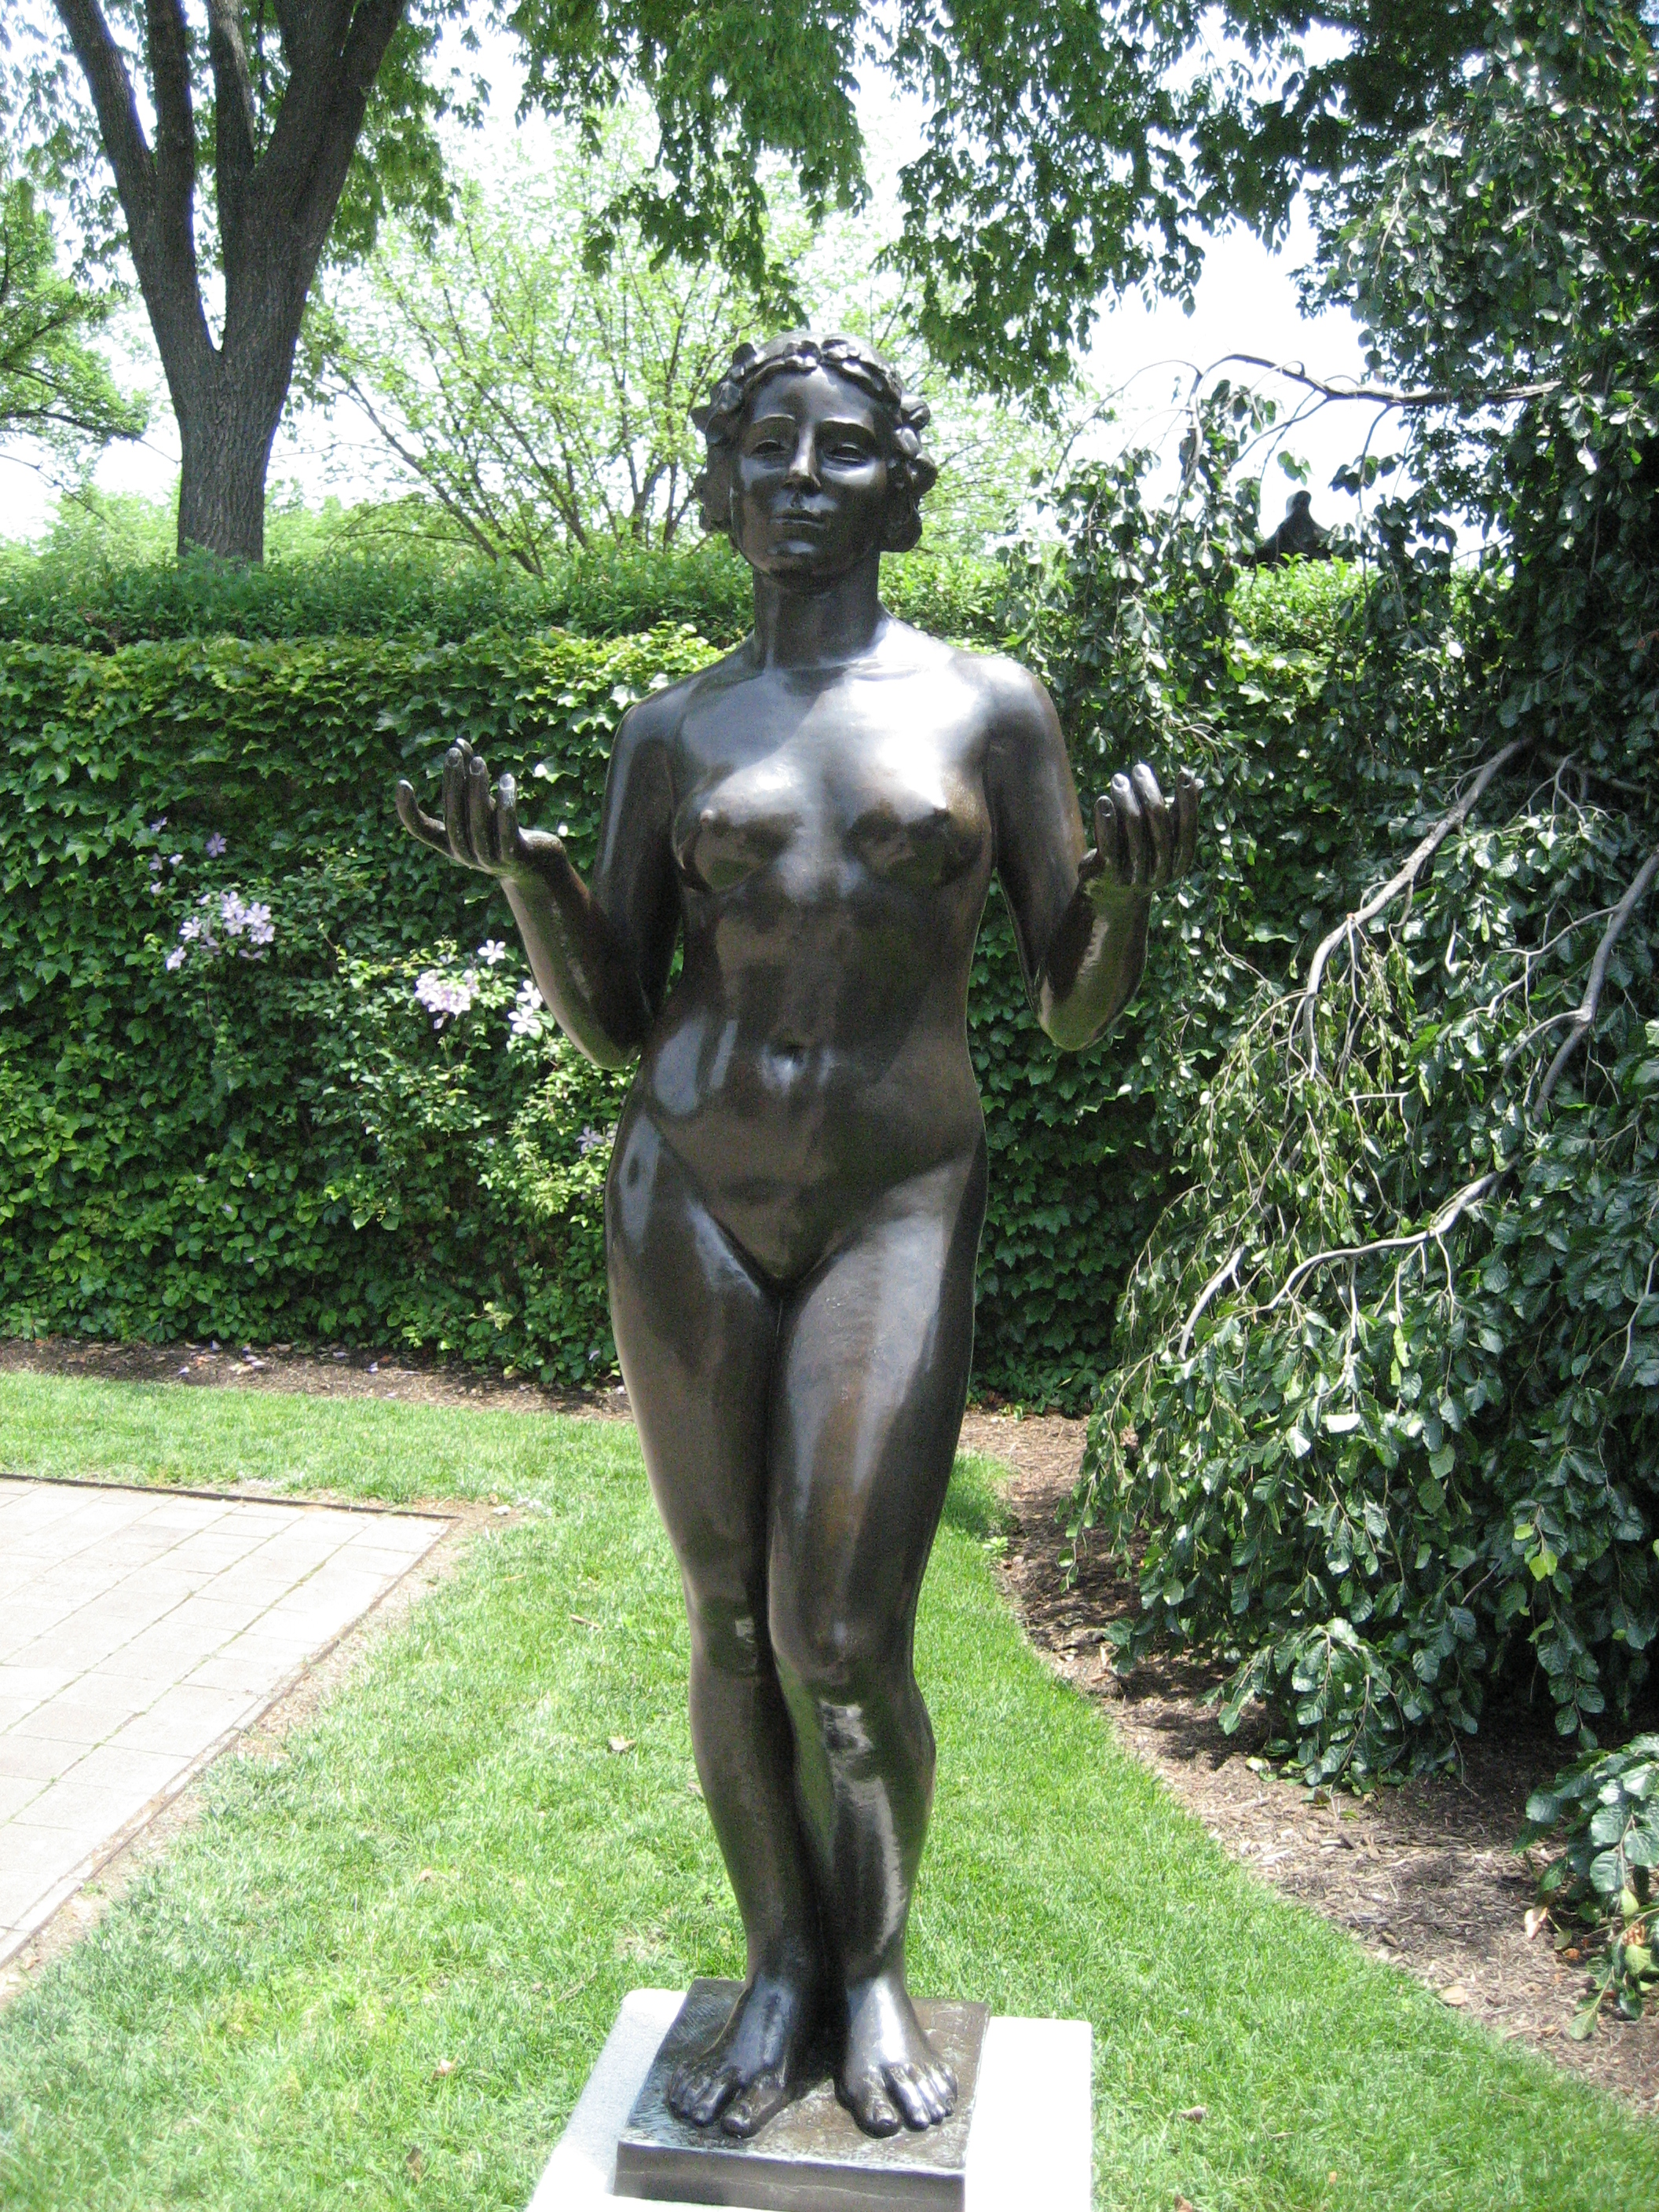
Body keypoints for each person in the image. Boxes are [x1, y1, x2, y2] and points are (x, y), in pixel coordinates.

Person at [395, 331, 1198, 2143]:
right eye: (767, 449)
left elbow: (1071, 1006)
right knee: (727, 1617)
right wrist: (530, 876)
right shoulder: (674, 730)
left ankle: (876, 1965)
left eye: (840, 451)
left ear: (900, 489)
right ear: (725, 485)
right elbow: (614, 1016)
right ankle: (777, 1963)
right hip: (685, 1187)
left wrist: (1127, 903)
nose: (799, 478)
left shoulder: (990, 708)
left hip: (895, 1201)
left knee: (838, 1633)